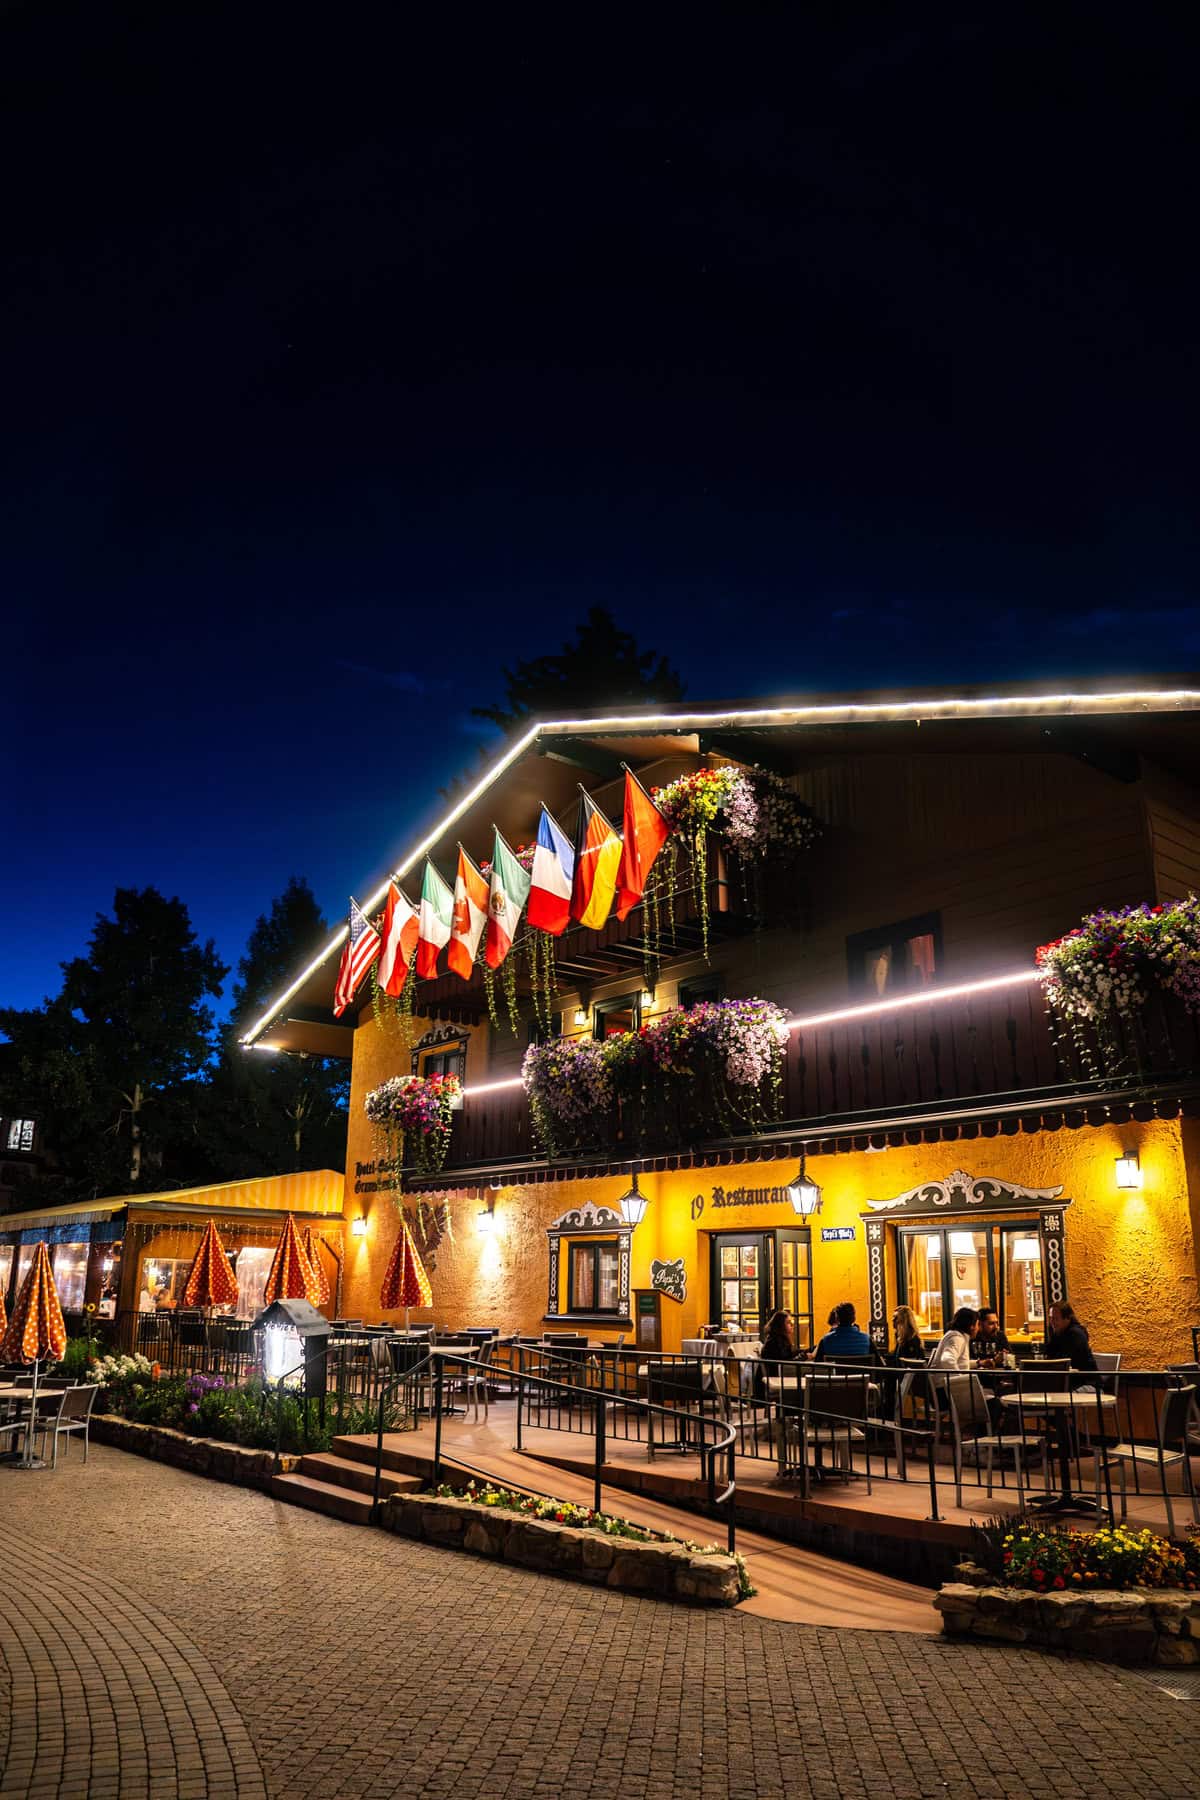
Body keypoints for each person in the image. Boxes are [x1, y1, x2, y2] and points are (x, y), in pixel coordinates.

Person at [1045, 1301, 1097, 1374]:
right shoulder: (1057, 1332)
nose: (1052, 1322)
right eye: (1051, 1318)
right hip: (1067, 1380)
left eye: (1056, 1318)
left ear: (1067, 1319)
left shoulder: (1076, 1334)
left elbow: (1065, 1362)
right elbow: (1050, 1356)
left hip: (1085, 1381)